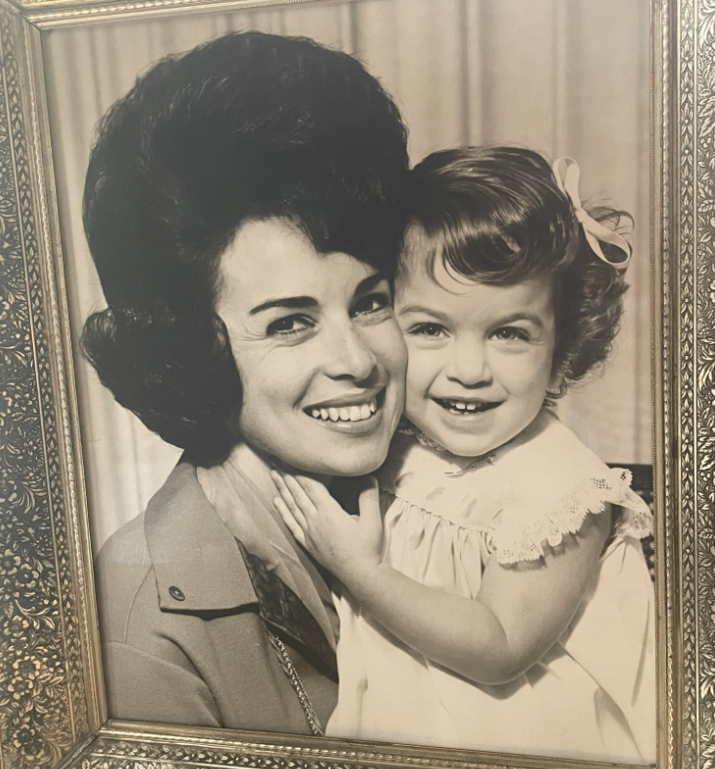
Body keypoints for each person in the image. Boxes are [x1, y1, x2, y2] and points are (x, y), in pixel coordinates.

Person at [272, 147, 656, 762]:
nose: (469, 372)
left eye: (509, 333)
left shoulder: (567, 491)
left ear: (562, 345)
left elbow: (501, 649)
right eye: (429, 329)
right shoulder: (394, 437)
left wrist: (363, 571)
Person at [84, 31, 410, 733]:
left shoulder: (438, 490)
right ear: (193, 349)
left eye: (370, 301)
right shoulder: (138, 637)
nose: (357, 359)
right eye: (290, 322)